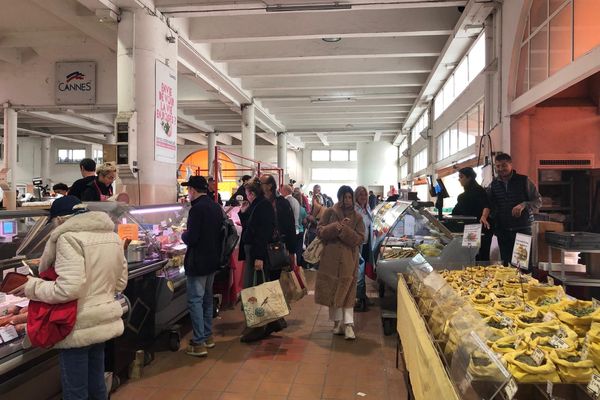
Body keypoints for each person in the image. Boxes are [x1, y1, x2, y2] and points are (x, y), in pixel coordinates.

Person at [16, 196, 127, 400]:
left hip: (77, 325)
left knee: (75, 391)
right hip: (101, 321)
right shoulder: (112, 236)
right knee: (97, 386)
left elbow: (68, 290)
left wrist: (31, 287)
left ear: (60, 220)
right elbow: (120, 283)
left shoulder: (69, 238)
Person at [180, 176, 224, 357]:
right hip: (212, 260)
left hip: (198, 261)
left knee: (195, 300)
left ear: (193, 190)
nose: (188, 193)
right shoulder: (215, 206)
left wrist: (183, 234)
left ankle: (198, 342)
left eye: (188, 189)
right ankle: (207, 336)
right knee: (206, 299)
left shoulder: (196, 209)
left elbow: (192, 238)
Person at [315, 186, 364, 340]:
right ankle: (337, 323)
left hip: (349, 260)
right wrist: (334, 227)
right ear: (339, 197)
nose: (347, 200)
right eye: (345, 197)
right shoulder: (329, 212)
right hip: (330, 259)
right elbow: (320, 231)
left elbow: (359, 239)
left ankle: (349, 325)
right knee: (333, 290)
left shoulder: (358, 217)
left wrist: (343, 230)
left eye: (350, 197)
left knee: (348, 291)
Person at [237, 179, 279, 342]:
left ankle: (258, 326)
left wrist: (259, 257)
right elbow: (250, 226)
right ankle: (273, 321)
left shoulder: (263, 206)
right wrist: (243, 212)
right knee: (259, 288)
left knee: (254, 290)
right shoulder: (259, 205)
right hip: (253, 252)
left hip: (257, 253)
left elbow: (262, 233)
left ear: (252, 193)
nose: (246, 197)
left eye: (247, 194)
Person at [481, 153, 542, 265]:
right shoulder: (493, 185)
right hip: (503, 230)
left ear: (511, 164)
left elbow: (538, 201)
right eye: (497, 166)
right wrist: (484, 216)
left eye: (504, 165)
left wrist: (523, 205)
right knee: (506, 264)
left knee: (522, 264)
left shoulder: (524, 181)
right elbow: (489, 204)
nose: (500, 169)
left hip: (522, 229)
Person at [451, 167, 491, 261]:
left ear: (469, 178)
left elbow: (487, 205)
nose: (459, 179)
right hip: (475, 228)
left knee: (476, 257)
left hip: (478, 229)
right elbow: (455, 212)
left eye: (461, 177)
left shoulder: (475, 192)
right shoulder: (468, 194)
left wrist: (484, 216)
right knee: (474, 257)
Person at [354, 186, 373, 312]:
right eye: (361, 195)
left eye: (365, 195)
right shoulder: (354, 210)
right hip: (357, 244)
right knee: (359, 272)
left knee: (362, 271)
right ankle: (359, 299)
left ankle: (362, 295)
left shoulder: (367, 208)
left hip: (366, 243)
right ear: (356, 196)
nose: (363, 197)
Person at [305, 193, 326, 270]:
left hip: (316, 235)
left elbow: (322, 225)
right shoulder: (314, 209)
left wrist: (313, 220)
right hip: (311, 234)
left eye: (316, 201)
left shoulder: (323, 211)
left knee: (315, 254)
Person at [293, 191, 308, 269]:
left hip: (292, 232)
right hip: (301, 231)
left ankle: (292, 266)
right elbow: (305, 221)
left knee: (292, 250)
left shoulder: (290, 208)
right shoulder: (302, 209)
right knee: (299, 250)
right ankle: (298, 266)